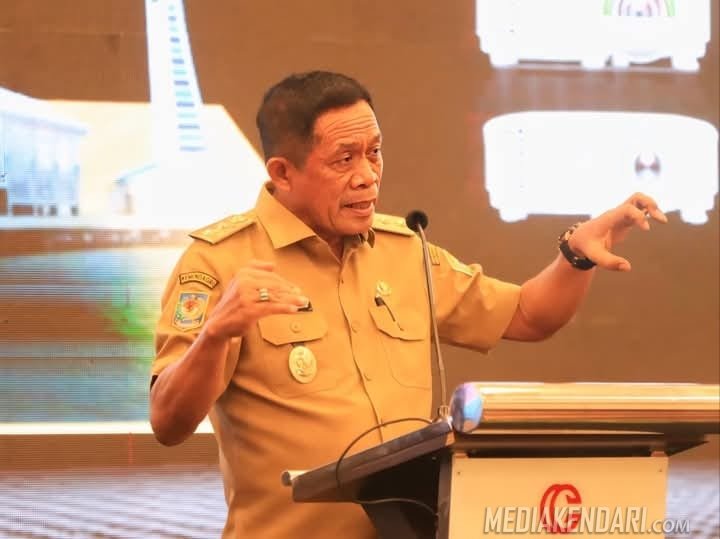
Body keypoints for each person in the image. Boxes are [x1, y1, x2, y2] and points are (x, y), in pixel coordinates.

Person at [149, 71, 667, 538]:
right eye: (344, 159)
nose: (367, 176)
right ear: (283, 173)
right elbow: (168, 423)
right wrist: (215, 334)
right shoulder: (220, 262)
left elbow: (529, 315)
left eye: (374, 152)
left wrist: (576, 255)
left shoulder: (404, 250)